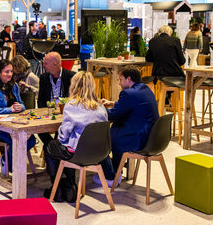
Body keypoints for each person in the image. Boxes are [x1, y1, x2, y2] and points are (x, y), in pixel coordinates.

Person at [43, 71, 108, 202]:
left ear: (74, 86)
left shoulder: (71, 105)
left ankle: (58, 186)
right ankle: (70, 184)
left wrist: (59, 137)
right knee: (66, 148)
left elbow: (64, 135)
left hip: (78, 153)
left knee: (50, 147)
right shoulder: (101, 107)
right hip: (99, 153)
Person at [100, 66, 159, 187]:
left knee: (104, 137)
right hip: (153, 138)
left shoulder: (127, 93)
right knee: (116, 129)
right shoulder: (145, 89)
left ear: (129, 79)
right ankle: (117, 170)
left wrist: (95, 109)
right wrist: (114, 103)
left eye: (121, 79)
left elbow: (112, 115)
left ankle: (111, 175)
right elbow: (134, 105)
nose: (120, 83)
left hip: (139, 139)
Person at [0, 59, 37, 173]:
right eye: (6, 72)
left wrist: (20, 107)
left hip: (13, 123)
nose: (10, 74)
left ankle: (6, 160)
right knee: (17, 139)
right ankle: (14, 169)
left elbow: (22, 105)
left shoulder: (14, 86)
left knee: (31, 140)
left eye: (11, 71)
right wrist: (10, 109)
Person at [37, 52, 76, 145]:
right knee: (39, 129)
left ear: (54, 64)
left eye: (46, 63)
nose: (43, 65)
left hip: (65, 114)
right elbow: (40, 100)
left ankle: (51, 151)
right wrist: (44, 112)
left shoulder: (71, 77)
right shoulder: (43, 78)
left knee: (62, 129)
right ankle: (52, 148)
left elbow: (74, 98)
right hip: (48, 113)